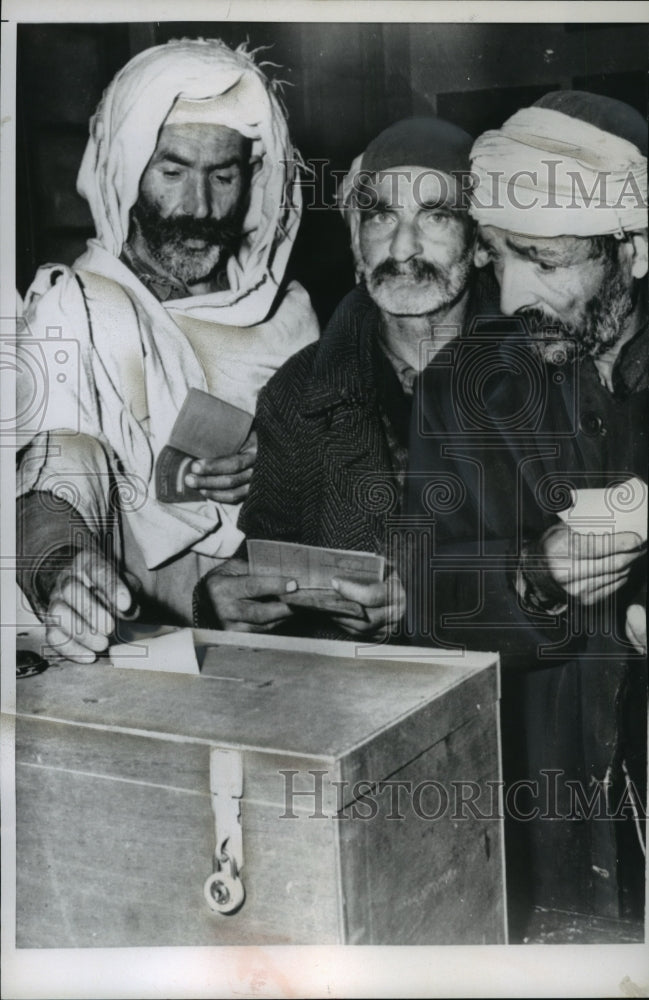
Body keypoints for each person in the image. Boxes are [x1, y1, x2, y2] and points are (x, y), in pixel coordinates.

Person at [408, 91, 647, 932]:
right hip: (542, 827)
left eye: (544, 260)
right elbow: (423, 600)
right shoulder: (459, 387)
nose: (511, 295)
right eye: (498, 255)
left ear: (634, 252)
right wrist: (533, 578)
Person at [16, 38, 319, 662]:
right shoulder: (76, 308)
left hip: (287, 641)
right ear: (125, 172)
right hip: (123, 643)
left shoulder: (290, 317)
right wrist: (65, 571)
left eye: (222, 176)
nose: (200, 208)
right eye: (174, 172)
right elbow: (49, 477)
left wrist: (283, 461)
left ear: (254, 179)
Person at [193, 116, 498, 639]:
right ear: (357, 244)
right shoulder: (299, 390)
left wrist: (427, 596)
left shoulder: (546, 380)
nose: (402, 249)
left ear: (481, 243)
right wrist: (220, 603)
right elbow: (272, 553)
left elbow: (571, 572)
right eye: (380, 216)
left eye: (436, 215)